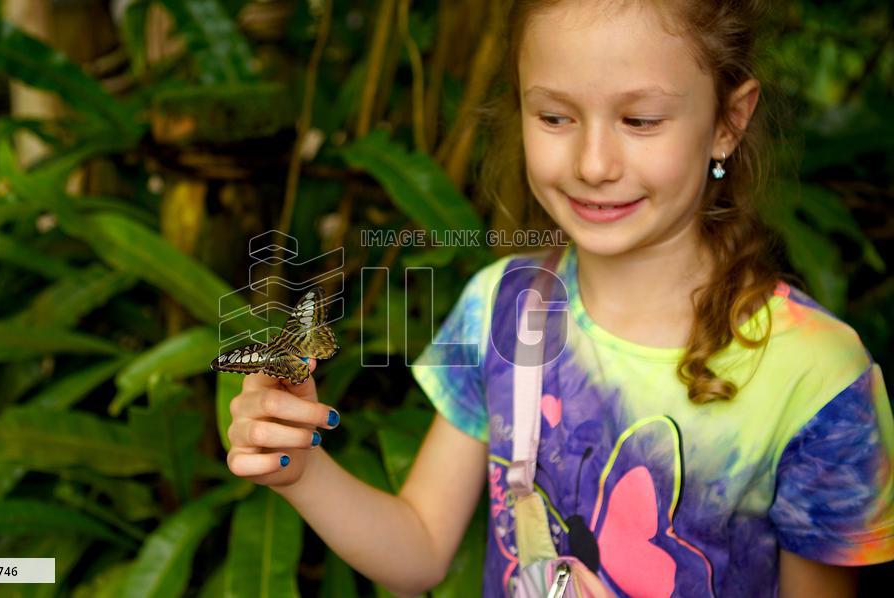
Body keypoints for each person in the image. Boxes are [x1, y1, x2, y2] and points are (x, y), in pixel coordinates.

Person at [224, 0, 894, 595]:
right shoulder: (500, 307)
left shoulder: (819, 379)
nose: (593, 164)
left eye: (640, 119)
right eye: (554, 116)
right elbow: (420, 549)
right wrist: (300, 468)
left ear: (728, 120)